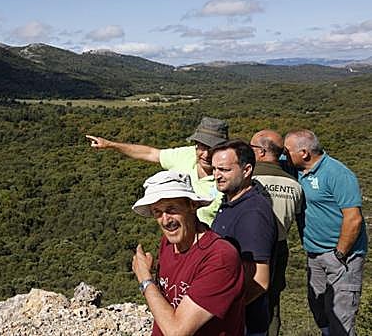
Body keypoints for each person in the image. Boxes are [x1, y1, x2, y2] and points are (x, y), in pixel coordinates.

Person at [131, 170, 245, 336]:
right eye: (157, 212)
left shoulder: (220, 257)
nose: (166, 220)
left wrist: (145, 280)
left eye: (171, 209)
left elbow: (177, 331)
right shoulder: (169, 243)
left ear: (192, 205)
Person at [284, 129, 367, 336]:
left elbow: (353, 218)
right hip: (315, 254)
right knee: (319, 308)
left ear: (304, 153)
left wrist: (340, 253)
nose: (285, 155)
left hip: (341, 256)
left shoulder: (337, 173)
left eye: (288, 151)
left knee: (341, 315)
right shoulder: (299, 170)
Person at [86, 116, 229, 225]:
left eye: (212, 148)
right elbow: (150, 153)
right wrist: (111, 145)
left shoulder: (229, 177)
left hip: (210, 246)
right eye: (200, 147)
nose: (205, 154)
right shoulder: (186, 155)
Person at [210, 140, 277, 336]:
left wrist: (222, 312)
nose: (216, 175)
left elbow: (259, 281)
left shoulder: (253, 213)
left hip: (244, 324)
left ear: (246, 170)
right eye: (214, 169)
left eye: (223, 169)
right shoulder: (233, 201)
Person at [250, 129, 304, 336]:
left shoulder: (248, 178)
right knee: (273, 302)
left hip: (249, 248)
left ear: (262, 152)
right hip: (279, 248)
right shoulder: (295, 185)